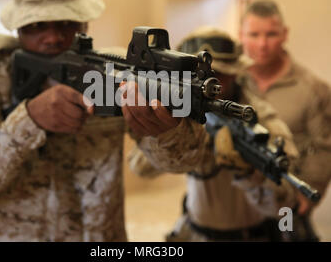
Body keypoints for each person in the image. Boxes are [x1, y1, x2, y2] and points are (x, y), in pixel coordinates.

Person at [0, 0, 214, 242]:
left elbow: (187, 162)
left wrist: (168, 132)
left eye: (66, 23)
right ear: (17, 27)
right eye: (36, 25)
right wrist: (29, 119)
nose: (52, 37)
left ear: (84, 22)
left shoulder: (111, 74)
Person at [128, 26, 299, 242]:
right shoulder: (183, 112)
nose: (206, 84)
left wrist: (249, 174)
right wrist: (174, 136)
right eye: (197, 76)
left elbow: (284, 207)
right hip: (195, 232)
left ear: (234, 73)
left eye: (218, 75)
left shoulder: (262, 121)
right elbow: (139, 168)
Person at [238, 0, 331, 241]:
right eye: (254, 34)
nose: (262, 44)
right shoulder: (231, 82)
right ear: (241, 35)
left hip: (286, 202)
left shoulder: (313, 89)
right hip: (238, 198)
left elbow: (325, 145)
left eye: (271, 34)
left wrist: (310, 191)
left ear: (284, 35)